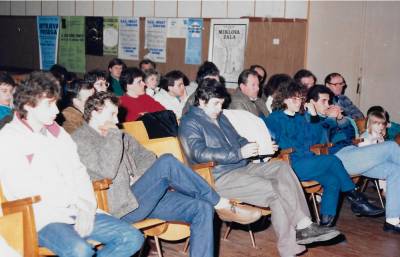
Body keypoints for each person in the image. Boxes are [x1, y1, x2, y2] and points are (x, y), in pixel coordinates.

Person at [72, 91, 262, 257]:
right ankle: (221, 203)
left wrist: (139, 174)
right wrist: (114, 135)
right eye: (112, 114)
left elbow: (147, 157)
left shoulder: (121, 135)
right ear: (95, 113)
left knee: (201, 208)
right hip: (119, 208)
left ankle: (213, 203)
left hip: (142, 197)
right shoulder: (81, 139)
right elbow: (107, 170)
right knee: (168, 162)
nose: (117, 120)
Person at [179, 78, 341, 257]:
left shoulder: (221, 116)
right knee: (276, 190)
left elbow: (238, 140)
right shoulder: (189, 122)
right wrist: (240, 153)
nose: (220, 108)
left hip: (241, 166)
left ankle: (304, 225)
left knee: (281, 167)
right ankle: (293, 246)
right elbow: (199, 154)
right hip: (217, 176)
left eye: (221, 104)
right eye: (216, 104)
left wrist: (260, 147)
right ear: (202, 101)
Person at [0, 72, 144, 257]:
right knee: (80, 250)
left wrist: (85, 207)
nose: (57, 111)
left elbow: (79, 173)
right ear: (29, 105)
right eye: (49, 105)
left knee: (132, 237)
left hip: (76, 210)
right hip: (40, 217)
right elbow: (19, 189)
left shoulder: (58, 133)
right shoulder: (9, 138)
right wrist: (69, 202)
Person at [264, 80, 383, 226]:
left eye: (300, 98)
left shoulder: (301, 118)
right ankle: (356, 197)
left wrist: (313, 116)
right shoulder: (274, 119)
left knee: (332, 181)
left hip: (307, 161)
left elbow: (314, 140)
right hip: (290, 164)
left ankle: (326, 224)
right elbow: (275, 140)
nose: (299, 102)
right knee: (331, 160)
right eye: (295, 98)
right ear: (284, 99)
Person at [307, 85, 400, 233]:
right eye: (324, 101)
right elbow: (320, 140)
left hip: (352, 153)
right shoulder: (310, 119)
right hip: (335, 160)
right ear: (312, 102)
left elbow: (349, 135)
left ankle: (392, 221)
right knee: (391, 147)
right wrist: (331, 119)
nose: (328, 105)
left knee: (395, 170)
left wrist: (341, 119)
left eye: (329, 101)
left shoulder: (329, 118)